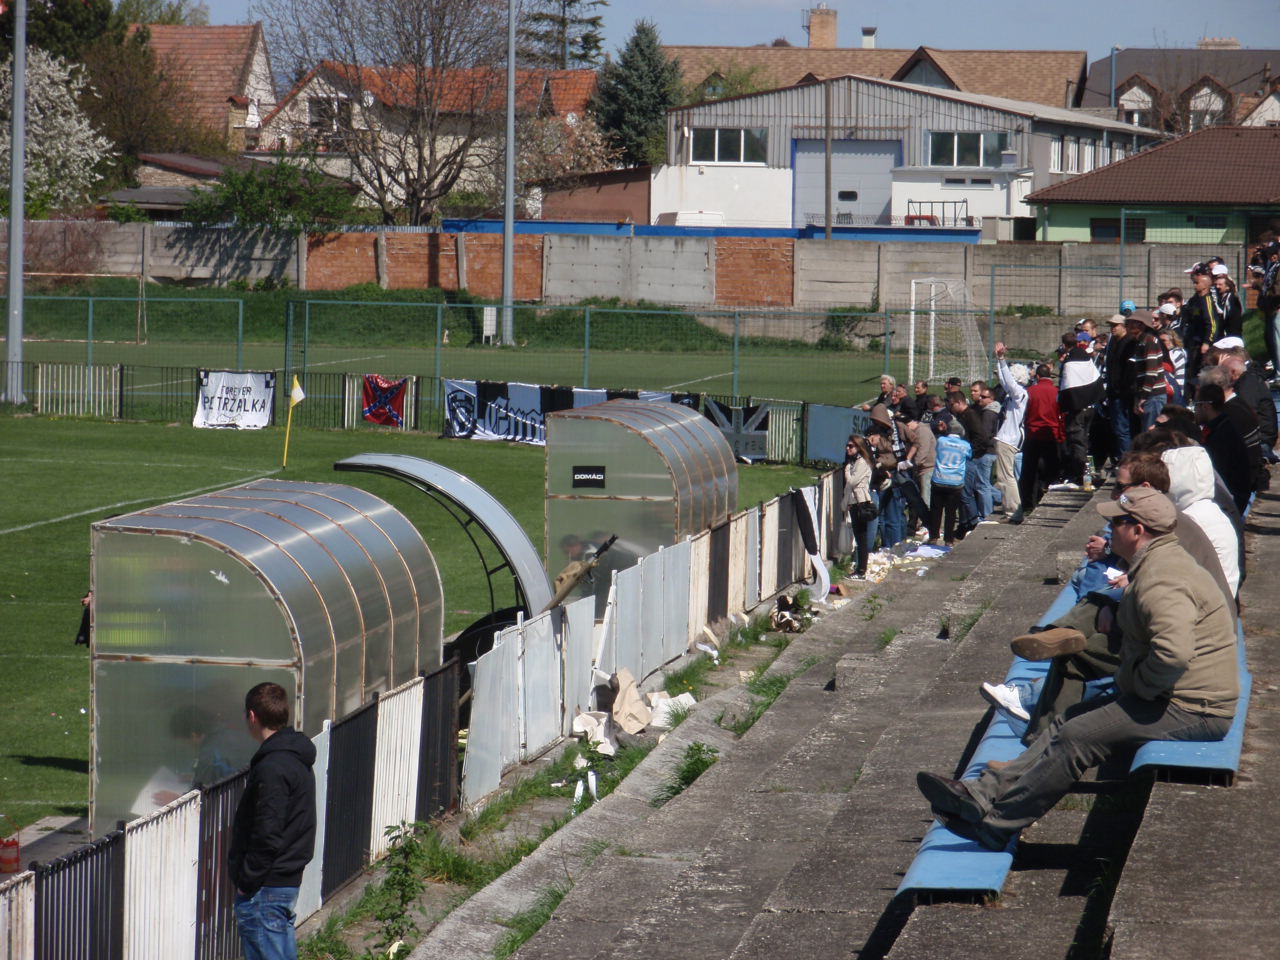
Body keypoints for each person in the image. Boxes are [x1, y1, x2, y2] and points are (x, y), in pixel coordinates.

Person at [917, 487, 1237, 851]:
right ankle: (982, 794)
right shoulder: (1157, 566)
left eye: (1116, 522)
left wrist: (1138, 690)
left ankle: (995, 825)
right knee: (1070, 719)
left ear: (1138, 530)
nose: (1108, 529)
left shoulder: (1161, 578)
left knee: (1078, 737)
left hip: (1194, 706)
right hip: (1177, 695)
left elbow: (1174, 655)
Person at [229, 682, 317, 960]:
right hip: (283, 879)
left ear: (252, 716)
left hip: (266, 886)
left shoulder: (273, 767)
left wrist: (247, 880)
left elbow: (267, 830)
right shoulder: (295, 757)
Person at [1010, 364, 1063, 523]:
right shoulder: (1056, 392)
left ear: (1037, 376)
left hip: (1033, 434)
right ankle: (1045, 495)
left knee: (1029, 471)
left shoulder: (1030, 391)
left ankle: (1029, 503)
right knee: (1050, 469)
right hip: (1052, 434)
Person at [1058, 332, 1104, 490]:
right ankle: (1088, 477)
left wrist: (1064, 407)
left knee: (1077, 443)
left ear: (1064, 345)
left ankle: (1084, 478)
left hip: (1076, 410)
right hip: (1090, 408)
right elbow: (1095, 379)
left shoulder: (1070, 362)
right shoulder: (1086, 358)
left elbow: (1067, 387)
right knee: (1086, 442)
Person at [991, 343, 1029, 518]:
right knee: (1004, 477)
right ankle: (1010, 510)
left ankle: (1014, 511)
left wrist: (1002, 359)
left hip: (1009, 439)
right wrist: (999, 363)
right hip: (1005, 439)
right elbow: (1004, 380)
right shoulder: (1013, 393)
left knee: (1006, 477)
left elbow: (1009, 382)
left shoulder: (1020, 394)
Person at [927, 419, 971, 546]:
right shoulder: (965, 445)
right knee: (951, 512)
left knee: (936, 510)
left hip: (939, 478)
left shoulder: (941, 441)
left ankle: (934, 536)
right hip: (956, 481)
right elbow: (969, 456)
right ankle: (948, 539)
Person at [841, 435, 877, 579]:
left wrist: (847, 470)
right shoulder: (854, 462)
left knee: (861, 538)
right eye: (847, 445)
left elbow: (852, 482)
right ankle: (859, 567)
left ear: (859, 447)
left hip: (861, 503)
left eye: (851, 446)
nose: (847, 448)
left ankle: (861, 570)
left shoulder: (861, 463)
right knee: (858, 536)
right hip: (854, 502)